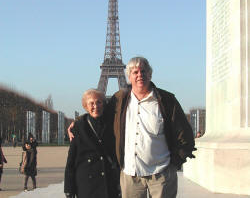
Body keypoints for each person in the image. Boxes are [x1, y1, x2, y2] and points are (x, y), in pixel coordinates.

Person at [68, 57, 196, 198]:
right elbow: (99, 114)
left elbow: (185, 133)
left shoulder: (166, 100)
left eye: (143, 71)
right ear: (129, 76)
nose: (139, 75)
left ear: (150, 74)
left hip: (161, 173)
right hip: (130, 175)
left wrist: (174, 164)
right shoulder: (119, 100)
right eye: (135, 72)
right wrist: (78, 122)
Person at [64, 89, 120, 198]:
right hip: (87, 184)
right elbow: (71, 161)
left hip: (108, 182)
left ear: (104, 104)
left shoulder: (113, 124)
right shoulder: (79, 127)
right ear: (85, 106)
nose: (95, 106)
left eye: (99, 102)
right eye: (91, 103)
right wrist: (69, 189)